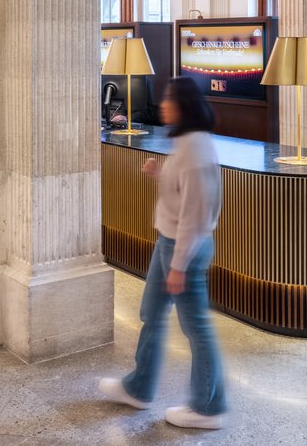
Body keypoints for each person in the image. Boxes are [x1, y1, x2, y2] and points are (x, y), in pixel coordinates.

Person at [98, 76, 227, 430]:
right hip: (170, 244)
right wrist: (159, 173)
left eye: (169, 99)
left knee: (196, 327)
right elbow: (183, 191)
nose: (163, 105)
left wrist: (178, 266)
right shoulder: (187, 144)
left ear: (183, 105)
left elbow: (196, 217)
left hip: (183, 249)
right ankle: (139, 388)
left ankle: (208, 406)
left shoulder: (197, 150)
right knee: (152, 313)